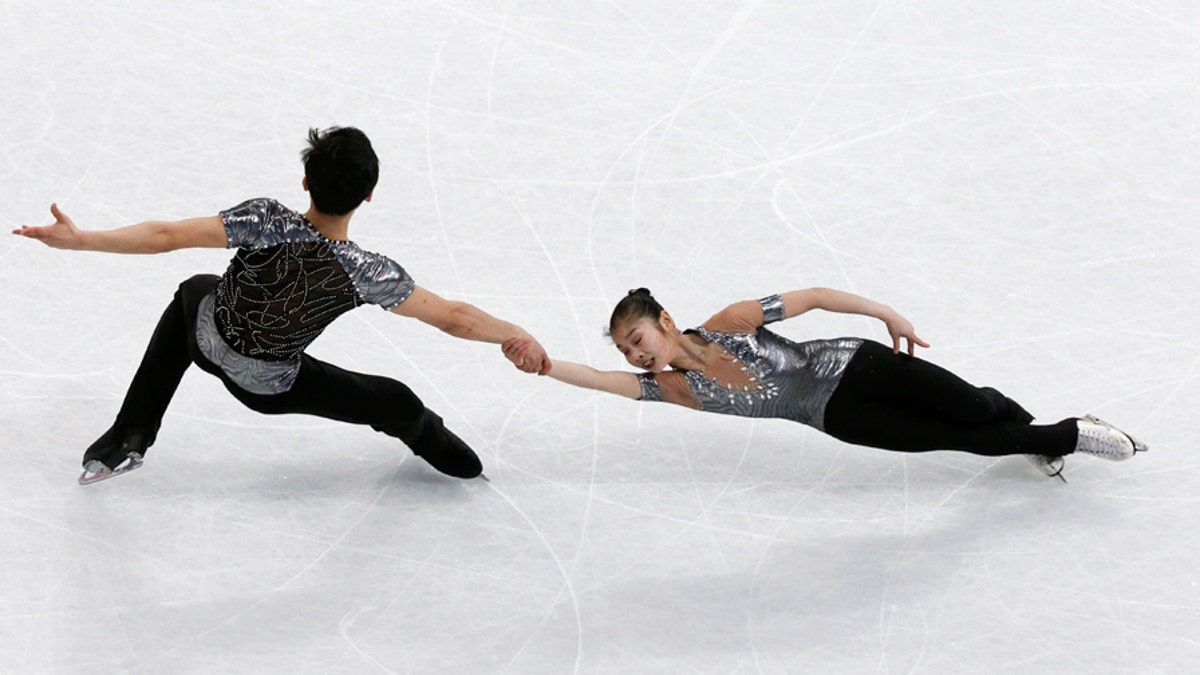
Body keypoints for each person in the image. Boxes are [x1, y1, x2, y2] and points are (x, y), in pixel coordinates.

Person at [14, 126, 549, 484]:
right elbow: (454, 318)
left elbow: (166, 234)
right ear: (368, 197)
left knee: (193, 290)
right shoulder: (365, 270)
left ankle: (131, 433)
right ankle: (461, 465)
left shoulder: (265, 220)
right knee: (395, 401)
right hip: (265, 385)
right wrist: (513, 333)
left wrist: (83, 240)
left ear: (305, 182)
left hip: (204, 336)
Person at [503, 287, 1145, 480]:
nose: (635, 357)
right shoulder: (675, 390)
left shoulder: (730, 323)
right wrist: (544, 363)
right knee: (963, 440)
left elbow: (809, 297)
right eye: (626, 351)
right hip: (835, 417)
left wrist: (885, 313)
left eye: (637, 341)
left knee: (977, 408)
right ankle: (1071, 434)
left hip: (857, 364)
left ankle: (1030, 432)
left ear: (665, 322)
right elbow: (595, 380)